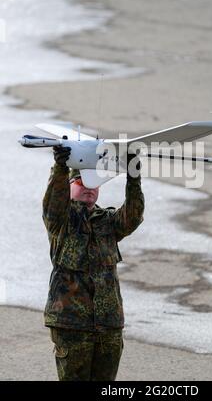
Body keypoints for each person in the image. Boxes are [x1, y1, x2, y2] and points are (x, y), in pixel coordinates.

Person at [42, 145, 144, 381]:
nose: (88, 188)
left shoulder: (107, 222)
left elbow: (133, 215)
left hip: (108, 325)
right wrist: (59, 168)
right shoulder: (61, 222)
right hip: (71, 324)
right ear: (69, 187)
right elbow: (53, 202)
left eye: (93, 184)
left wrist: (133, 177)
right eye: (80, 183)